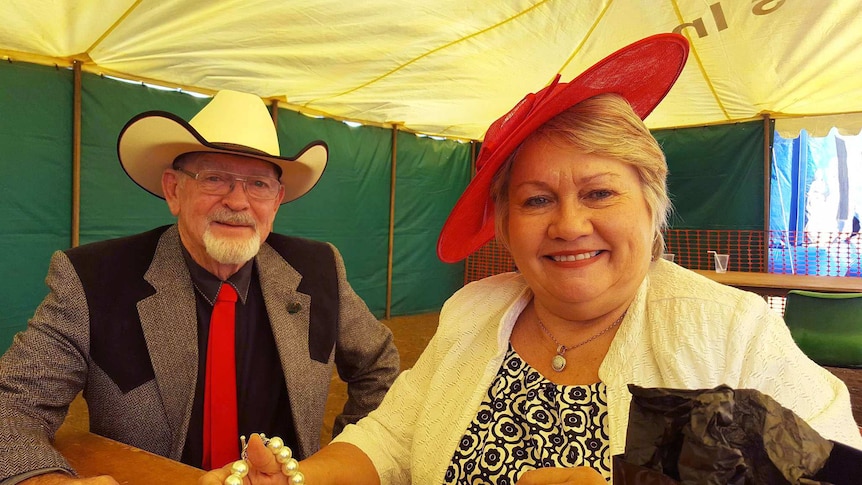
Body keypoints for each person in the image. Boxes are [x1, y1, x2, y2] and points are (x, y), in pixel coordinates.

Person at [200, 33, 862, 485]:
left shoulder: (730, 330)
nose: (570, 223)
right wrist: (301, 475)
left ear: (650, 204)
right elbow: (393, 438)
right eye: (538, 199)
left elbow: (837, 464)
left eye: (599, 191)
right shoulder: (473, 312)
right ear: (507, 228)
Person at [0, 89, 400, 483]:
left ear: (277, 202)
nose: (239, 201)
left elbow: (378, 367)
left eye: (258, 185)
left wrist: (333, 469)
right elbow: (11, 404)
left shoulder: (319, 270)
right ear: (174, 190)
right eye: (215, 178)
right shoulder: (91, 278)